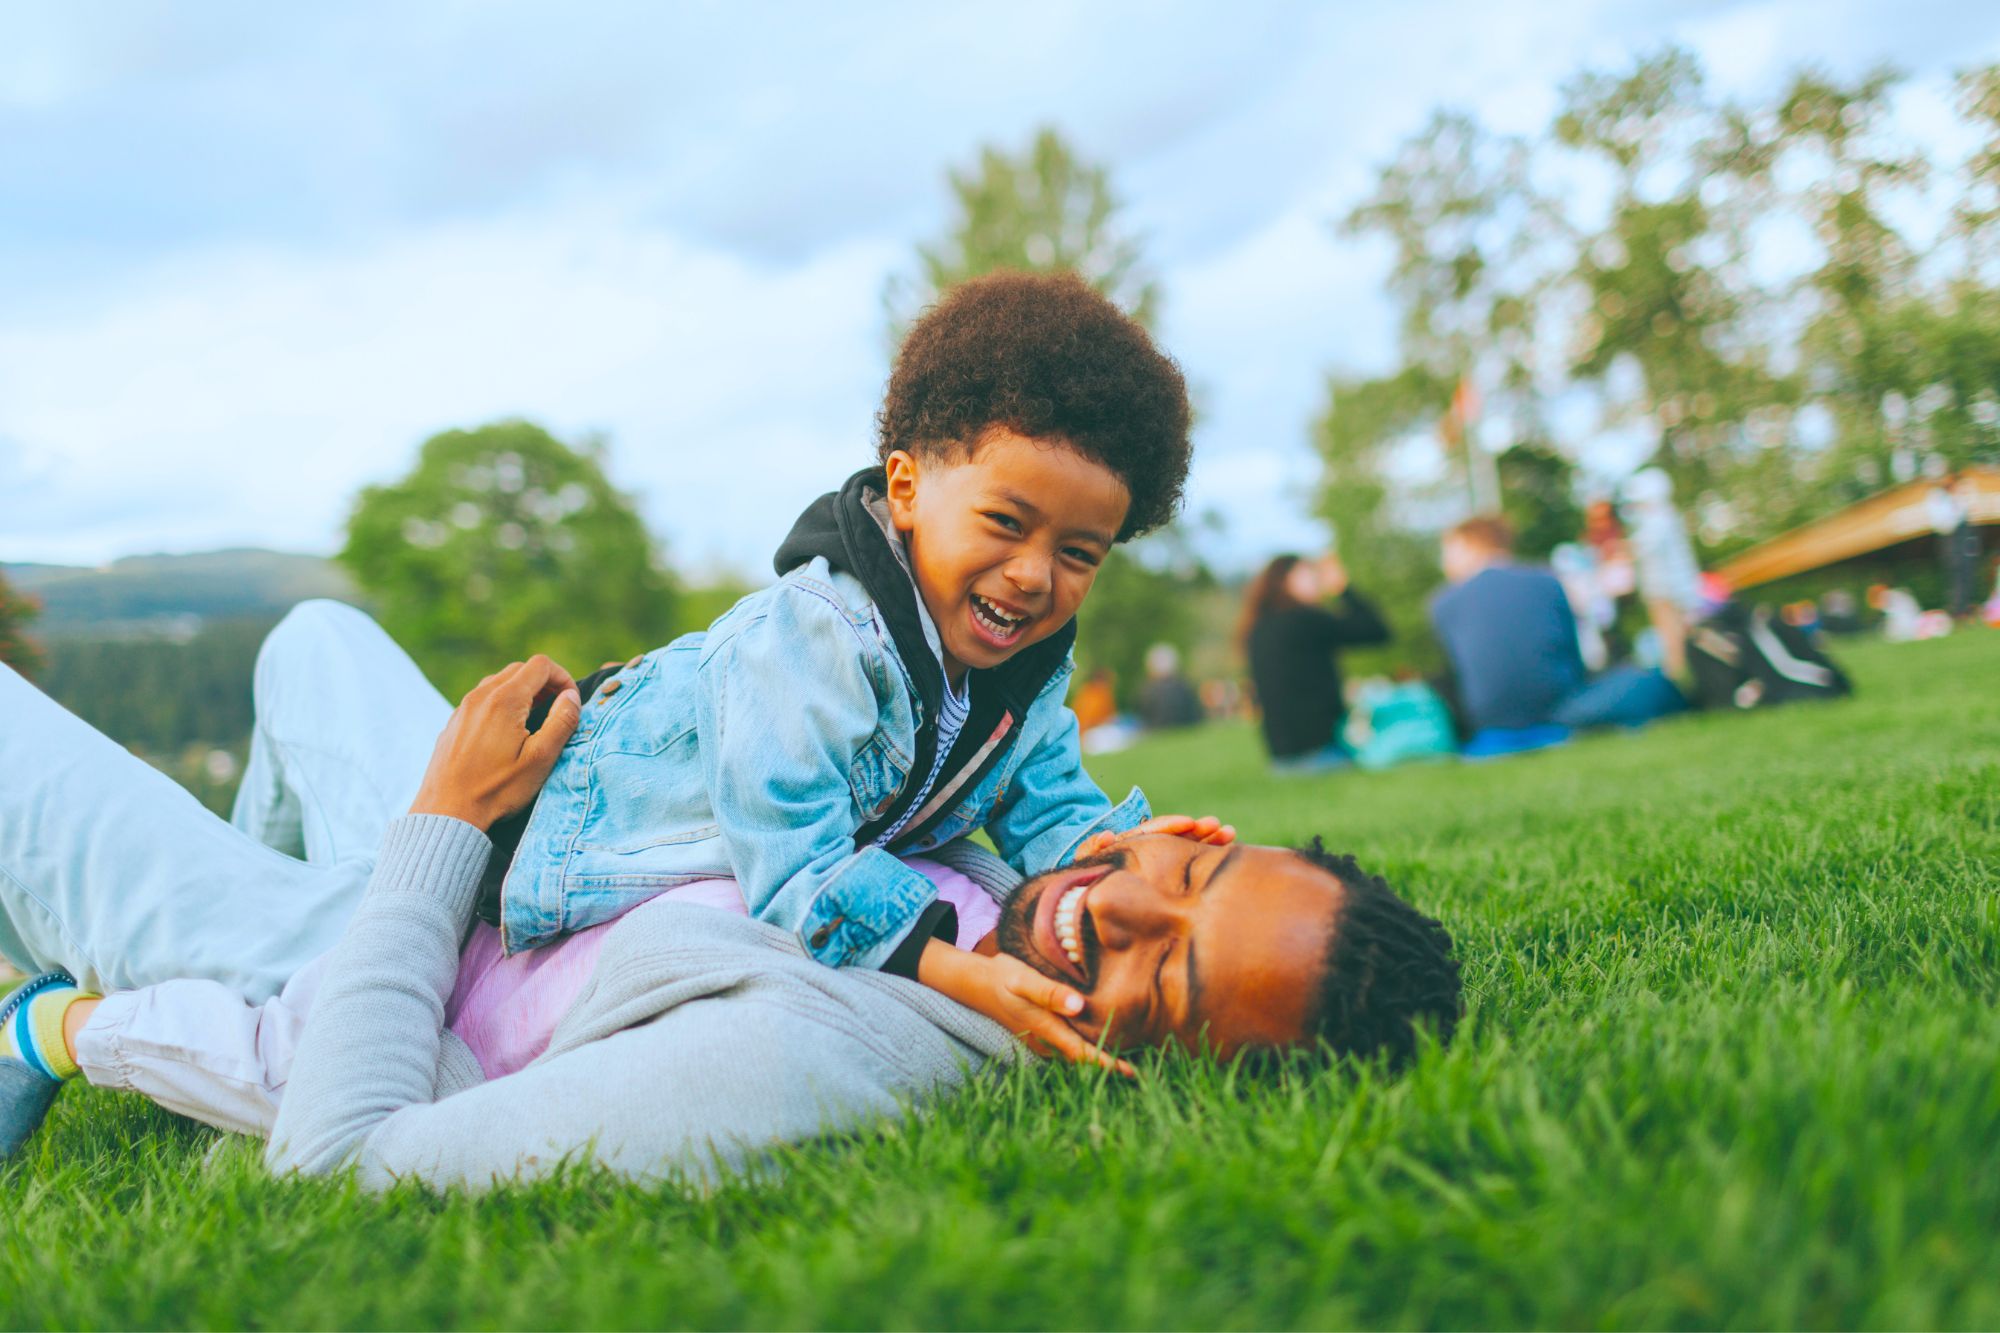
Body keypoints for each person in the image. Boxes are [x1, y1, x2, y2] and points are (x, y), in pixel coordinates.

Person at [0, 604, 1464, 1182]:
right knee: (312, 637)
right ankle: (224, 890)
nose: (1125, 911)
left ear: (1162, 1072)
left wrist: (440, 825)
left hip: (382, 963)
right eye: (1189, 872)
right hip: (503, 875)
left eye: (1173, 979)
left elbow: (343, 1164)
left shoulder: (816, 1059)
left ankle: (181, 960)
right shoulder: (1033, 864)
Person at [477, 271, 1221, 1064]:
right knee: (780, 972)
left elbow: (1044, 807)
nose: (1035, 575)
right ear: (905, 489)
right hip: (563, 841)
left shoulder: (1025, 670)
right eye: (1006, 522)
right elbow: (794, 859)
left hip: (727, 862)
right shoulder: (819, 634)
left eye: (1077, 553)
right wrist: (960, 973)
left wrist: (1122, 854)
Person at [1430, 516, 1685, 756]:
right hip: (1561, 712)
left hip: (1491, 725)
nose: (1444, 562)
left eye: (1448, 551)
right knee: (1648, 681)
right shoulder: (1546, 581)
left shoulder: (1442, 603)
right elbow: (1572, 658)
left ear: (1470, 544)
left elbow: (1461, 675)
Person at [1241, 554, 1389, 773]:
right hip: (1322, 755)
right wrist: (1342, 588)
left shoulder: (1257, 631)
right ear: (1286, 581)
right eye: (1309, 574)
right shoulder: (1305, 619)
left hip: (1281, 763)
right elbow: (1376, 631)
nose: (1317, 581)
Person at [1621, 468, 1704, 681]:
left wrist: (1620, 550)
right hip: (1668, 589)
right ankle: (1683, 675)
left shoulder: (1659, 518)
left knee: (1672, 638)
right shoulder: (1665, 516)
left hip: (1665, 590)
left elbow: (1644, 547)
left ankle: (1679, 678)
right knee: (1674, 636)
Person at [1135, 643, 1204, 731]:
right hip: (1184, 729)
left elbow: (1143, 717)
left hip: (1157, 732)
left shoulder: (1146, 690)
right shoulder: (1184, 685)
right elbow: (1196, 715)